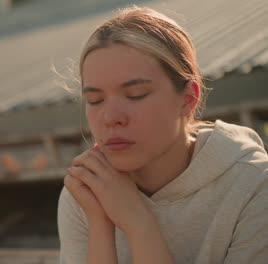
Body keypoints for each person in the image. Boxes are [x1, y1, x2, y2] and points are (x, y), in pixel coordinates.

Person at [57, 6, 268, 264]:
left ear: (188, 98)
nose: (111, 117)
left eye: (136, 95)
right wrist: (100, 224)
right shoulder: (85, 193)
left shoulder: (253, 185)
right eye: (95, 99)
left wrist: (138, 222)